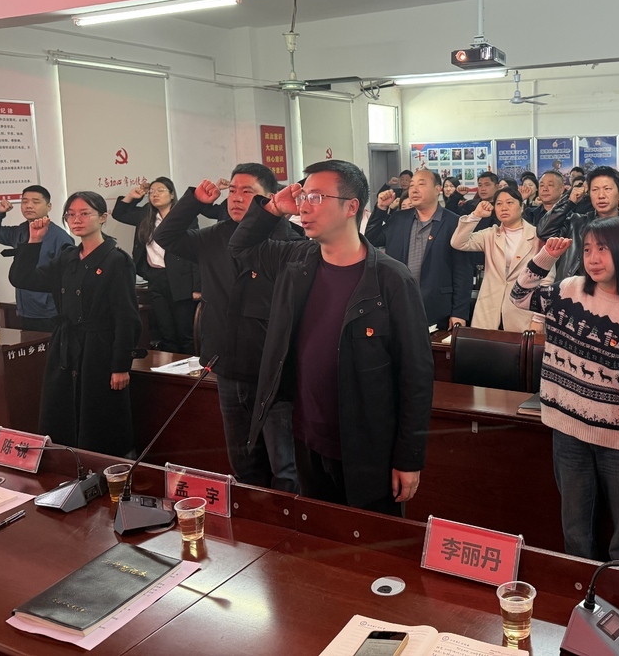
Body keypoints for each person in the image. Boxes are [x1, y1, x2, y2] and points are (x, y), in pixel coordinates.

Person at [228, 160, 434, 515]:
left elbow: (416, 376)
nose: (304, 206)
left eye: (317, 197)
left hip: (367, 448)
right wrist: (274, 207)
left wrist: (409, 458)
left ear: (351, 207)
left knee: (371, 538)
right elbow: (241, 247)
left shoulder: (391, 280)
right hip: (306, 438)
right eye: (303, 196)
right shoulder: (296, 261)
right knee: (320, 534)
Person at [511, 218, 619, 560]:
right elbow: (519, 296)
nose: (593, 258)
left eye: (603, 249)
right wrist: (545, 257)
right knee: (575, 531)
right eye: (587, 249)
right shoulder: (568, 290)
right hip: (568, 433)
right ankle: (581, 591)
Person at [153, 163, 302, 492]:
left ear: (270, 198)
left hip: (274, 373)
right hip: (227, 366)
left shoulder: (288, 240)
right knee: (243, 461)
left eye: (247, 191)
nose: (236, 198)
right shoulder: (215, 236)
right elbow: (165, 236)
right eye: (232, 190)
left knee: (284, 466)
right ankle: (252, 521)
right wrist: (194, 201)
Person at [9, 192, 141, 456]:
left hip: (99, 348)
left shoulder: (117, 260)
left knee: (97, 415)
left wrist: (120, 365)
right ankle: (65, 464)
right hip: (66, 346)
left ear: (103, 217)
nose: (76, 220)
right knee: (61, 410)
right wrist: (34, 241)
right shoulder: (67, 257)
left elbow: (126, 317)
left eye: (84, 213)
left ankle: (101, 467)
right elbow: (22, 279)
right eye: (70, 214)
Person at [366, 169, 473, 331]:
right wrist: (381, 208)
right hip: (397, 304)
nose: (414, 190)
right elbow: (372, 239)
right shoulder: (399, 218)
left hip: (437, 309)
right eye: (411, 185)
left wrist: (459, 312)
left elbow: (463, 271)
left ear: (438, 189)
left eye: (421, 184)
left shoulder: (454, 223)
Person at [112, 178, 201, 353]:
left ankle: (190, 368)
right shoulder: (146, 216)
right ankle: (171, 368)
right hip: (155, 277)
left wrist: (197, 286)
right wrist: (132, 196)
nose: (155, 195)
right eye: (151, 192)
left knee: (185, 333)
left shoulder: (185, 218)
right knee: (166, 332)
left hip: (181, 279)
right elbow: (119, 214)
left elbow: (195, 252)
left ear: (172, 194)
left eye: (160, 190)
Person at [451, 187, 552, 332]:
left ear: (521, 207)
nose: (504, 207)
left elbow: (547, 282)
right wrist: (476, 215)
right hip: (488, 313)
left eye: (509, 202)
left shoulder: (538, 236)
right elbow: (458, 242)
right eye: (499, 204)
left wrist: (539, 319)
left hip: (523, 316)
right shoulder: (490, 234)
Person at [0, 185, 73, 332]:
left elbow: (66, 277)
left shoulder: (60, 237)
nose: (29, 205)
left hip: (50, 312)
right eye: (24, 201)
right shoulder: (20, 231)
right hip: (26, 310)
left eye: (35, 201)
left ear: (49, 207)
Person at [538, 166, 619, 279]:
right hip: (572, 287)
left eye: (607, 189)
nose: (601, 196)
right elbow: (543, 231)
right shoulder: (576, 223)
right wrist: (569, 201)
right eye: (595, 190)